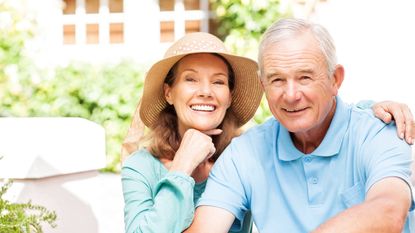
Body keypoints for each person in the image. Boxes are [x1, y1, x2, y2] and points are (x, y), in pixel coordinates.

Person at [185, 18, 415, 233]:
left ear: (335, 80)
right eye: (277, 80)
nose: (291, 95)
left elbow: (389, 211)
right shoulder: (244, 153)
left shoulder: (379, 132)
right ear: (263, 85)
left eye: (305, 77)